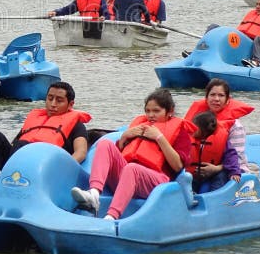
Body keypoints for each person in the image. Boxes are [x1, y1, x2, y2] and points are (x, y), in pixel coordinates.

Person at [70, 88, 194, 220]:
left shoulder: (180, 132)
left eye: (156, 111)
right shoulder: (140, 127)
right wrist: (124, 137)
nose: (151, 115)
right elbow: (119, 156)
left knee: (132, 168)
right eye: (148, 111)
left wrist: (159, 137)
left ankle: (112, 216)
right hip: (128, 177)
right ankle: (94, 194)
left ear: (170, 111)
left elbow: (178, 166)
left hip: (157, 181)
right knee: (104, 144)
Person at [0, 81, 90, 198]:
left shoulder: (76, 125)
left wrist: (63, 167)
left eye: (59, 101)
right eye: (50, 98)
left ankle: (14, 188)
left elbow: (81, 152)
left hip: (45, 167)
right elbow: (13, 144)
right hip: (17, 158)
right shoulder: (35, 119)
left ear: (70, 104)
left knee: (23, 144)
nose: (53, 104)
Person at [183, 78, 253, 175]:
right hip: (198, 171)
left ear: (228, 100)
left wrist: (216, 169)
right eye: (212, 95)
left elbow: (237, 159)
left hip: (231, 171)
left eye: (221, 95)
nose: (216, 99)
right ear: (206, 98)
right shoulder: (196, 121)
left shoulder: (235, 126)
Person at [188, 111, 241, 194]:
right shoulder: (189, 141)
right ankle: (190, 195)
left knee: (221, 176)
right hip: (195, 174)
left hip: (214, 173)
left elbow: (231, 156)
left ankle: (215, 195)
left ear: (204, 130)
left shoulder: (221, 142)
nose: (191, 129)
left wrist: (234, 172)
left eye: (194, 127)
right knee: (186, 177)